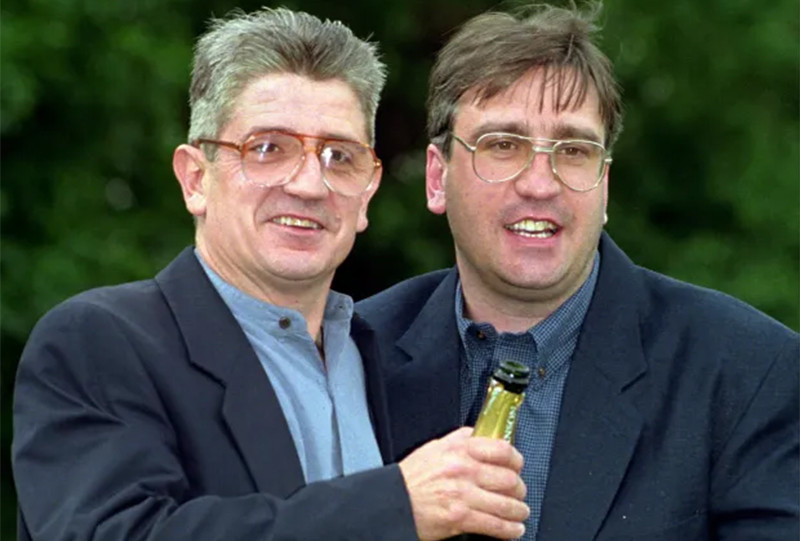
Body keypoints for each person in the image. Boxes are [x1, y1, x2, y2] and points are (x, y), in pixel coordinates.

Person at [11, 8, 530, 541]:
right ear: (195, 179)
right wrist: (394, 505)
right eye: (267, 149)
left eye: (339, 156)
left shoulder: (379, 355)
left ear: (367, 192)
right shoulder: (100, 343)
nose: (309, 184)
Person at [357, 3, 800, 540]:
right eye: (503, 145)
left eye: (572, 150)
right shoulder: (353, 356)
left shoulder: (749, 371)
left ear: (604, 185)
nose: (540, 183)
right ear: (436, 178)